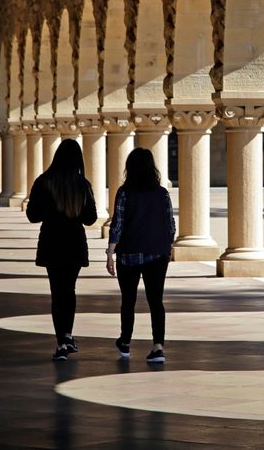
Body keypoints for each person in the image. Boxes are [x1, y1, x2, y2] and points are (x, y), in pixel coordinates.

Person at [26, 139, 97, 361]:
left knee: (57, 292)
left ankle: (61, 342)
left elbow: (32, 215)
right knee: (70, 290)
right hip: (74, 243)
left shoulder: (44, 182)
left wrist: (51, 211)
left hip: (52, 241)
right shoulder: (82, 185)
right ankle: (67, 334)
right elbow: (90, 218)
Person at [106, 147, 176, 364]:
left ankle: (125, 342)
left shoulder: (125, 192)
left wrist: (110, 253)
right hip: (157, 253)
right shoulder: (162, 193)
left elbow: (117, 224)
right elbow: (171, 225)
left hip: (129, 254)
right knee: (156, 301)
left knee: (128, 300)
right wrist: (166, 247)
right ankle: (157, 346)